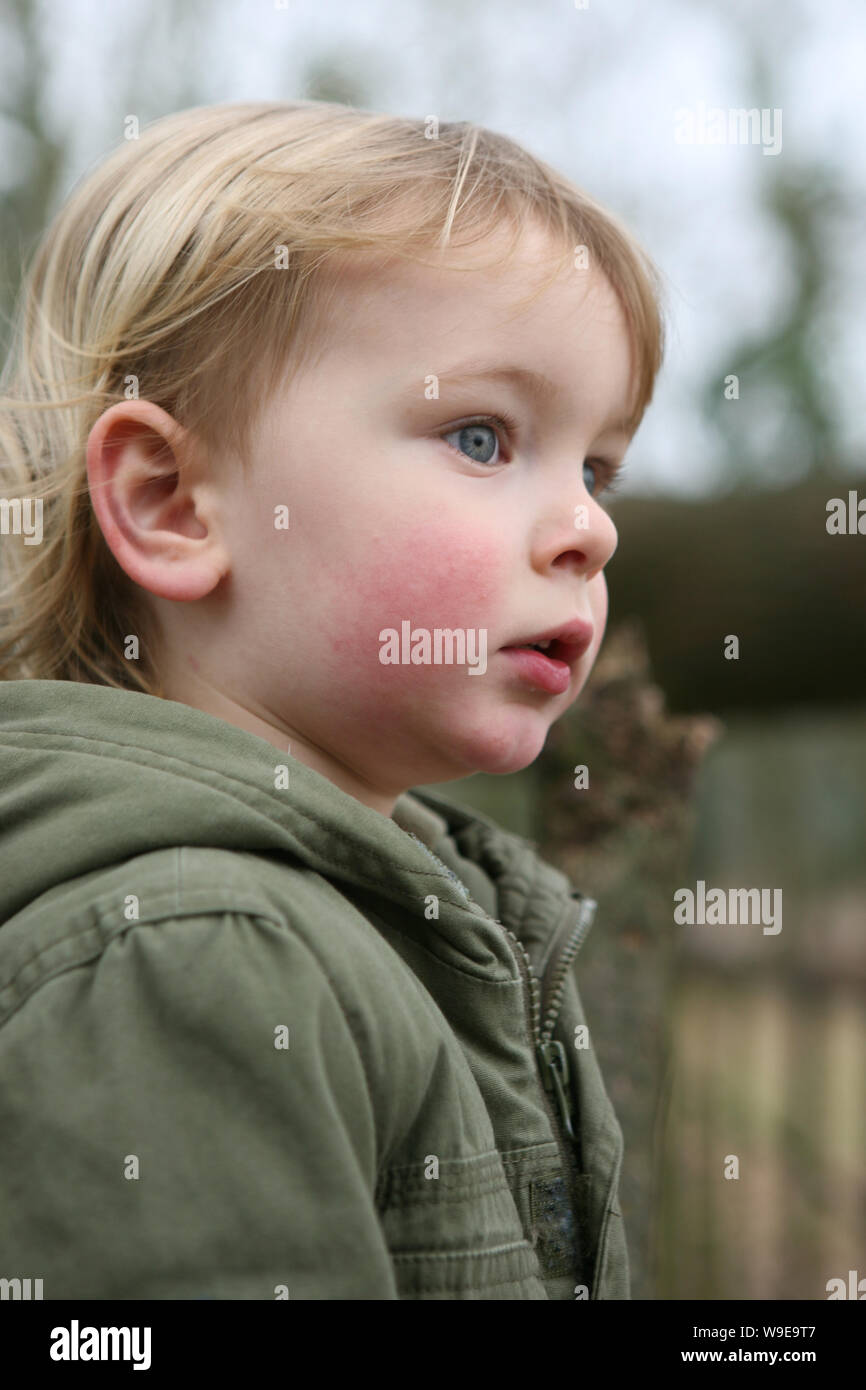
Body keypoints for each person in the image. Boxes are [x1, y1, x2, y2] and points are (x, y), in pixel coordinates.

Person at [0, 101, 664, 1299]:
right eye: (480, 435)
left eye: (596, 464)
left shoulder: (421, 922)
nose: (588, 527)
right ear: (170, 503)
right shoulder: (194, 956)